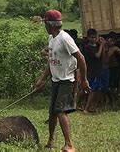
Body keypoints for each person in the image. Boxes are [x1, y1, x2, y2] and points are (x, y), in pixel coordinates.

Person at [34, 9, 90, 152]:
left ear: (49, 24)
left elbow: (81, 58)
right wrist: (42, 80)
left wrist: (83, 80)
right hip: (56, 80)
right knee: (52, 112)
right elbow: (51, 61)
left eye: (45, 23)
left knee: (60, 110)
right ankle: (51, 140)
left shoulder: (65, 38)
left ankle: (69, 145)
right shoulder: (52, 39)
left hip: (67, 80)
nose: (44, 26)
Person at [82, 29, 104, 113]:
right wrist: (101, 45)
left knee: (97, 89)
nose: (94, 39)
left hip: (97, 70)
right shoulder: (88, 47)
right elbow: (97, 55)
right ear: (88, 38)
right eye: (92, 37)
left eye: (95, 37)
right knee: (92, 90)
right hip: (92, 71)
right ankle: (86, 108)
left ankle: (92, 107)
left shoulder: (96, 46)